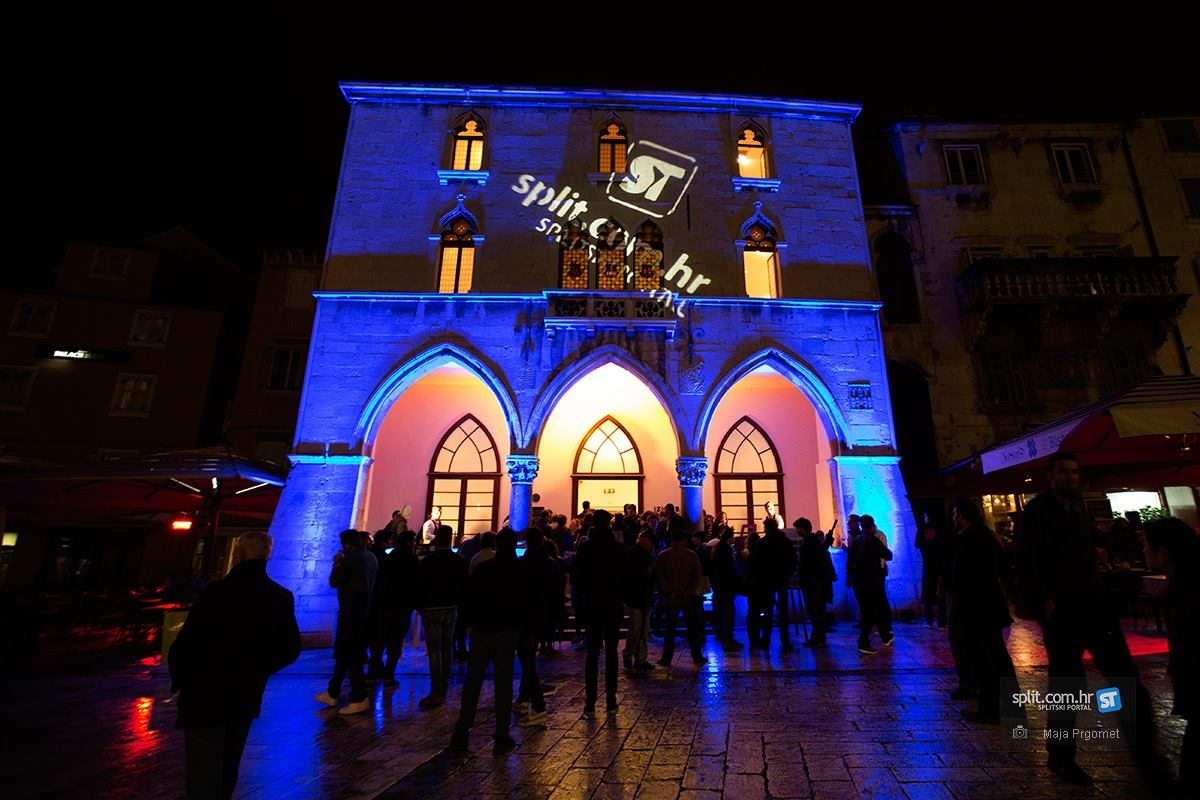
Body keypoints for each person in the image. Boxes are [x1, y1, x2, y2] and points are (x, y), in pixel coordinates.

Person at [1013, 452, 1172, 789]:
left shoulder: (1078, 508)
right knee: (1067, 685)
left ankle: (1147, 758)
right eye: (1064, 472)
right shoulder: (1038, 512)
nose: (1071, 477)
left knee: (1125, 680)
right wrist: (1045, 601)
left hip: (1094, 605)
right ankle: (1061, 756)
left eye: (1074, 472)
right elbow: (1026, 560)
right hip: (1064, 610)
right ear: (1051, 476)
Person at [168, 531, 300, 800]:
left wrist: (180, 678)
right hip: (246, 691)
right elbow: (290, 647)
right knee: (229, 763)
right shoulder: (280, 596)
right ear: (267, 555)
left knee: (203, 766)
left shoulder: (216, 592)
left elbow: (188, 641)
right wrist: (260, 669)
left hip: (205, 689)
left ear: (239, 554)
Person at [449, 528, 525, 755]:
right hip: (507, 630)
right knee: (504, 681)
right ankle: (501, 733)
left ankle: (462, 729)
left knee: (473, 680)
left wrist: (469, 624)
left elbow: (469, 597)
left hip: (482, 629)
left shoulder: (482, 569)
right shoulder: (518, 571)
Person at [945, 498, 1016, 724]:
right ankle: (1007, 705)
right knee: (995, 656)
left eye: (955, 514)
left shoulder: (974, 538)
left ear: (962, 515)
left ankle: (992, 708)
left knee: (985, 658)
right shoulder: (980, 535)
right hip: (984, 605)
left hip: (978, 607)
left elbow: (973, 573)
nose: (953, 518)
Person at [1142, 516, 1200, 796]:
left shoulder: (1188, 596)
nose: (1143, 550)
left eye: (1146, 544)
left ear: (1163, 552)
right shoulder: (1185, 587)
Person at [314, 529, 378, 715]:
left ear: (346, 544)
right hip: (364, 612)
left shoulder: (351, 560)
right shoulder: (371, 558)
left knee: (351, 655)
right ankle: (333, 691)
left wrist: (336, 563)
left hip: (350, 612)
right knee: (345, 653)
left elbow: (333, 582)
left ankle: (359, 697)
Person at [571, 508, 627, 715]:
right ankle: (611, 698)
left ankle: (590, 700)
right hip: (612, 604)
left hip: (592, 604)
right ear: (609, 523)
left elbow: (577, 578)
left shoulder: (585, 548)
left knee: (592, 653)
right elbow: (624, 577)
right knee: (611, 652)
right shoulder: (618, 548)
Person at [416, 524, 469, 710]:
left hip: (432, 608)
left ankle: (435, 689)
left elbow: (420, 585)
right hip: (451, 607)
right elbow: (464, 585)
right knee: (447, 647)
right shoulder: (459, 560)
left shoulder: (427, 561)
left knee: (435, 650)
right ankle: (444, 684)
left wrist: (420, 606)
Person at [513, 527, 560, 728]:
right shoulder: (551, 564)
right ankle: (523, 698)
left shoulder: (522, 564)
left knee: (526, 659)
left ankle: (538, 706)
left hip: (524, 616)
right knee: (528, 657)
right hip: (543, 616)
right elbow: (557, 592)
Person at [367, 529, 420, 686]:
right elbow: (416, 583)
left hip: (384, 605)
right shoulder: (412, 560)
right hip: (402, 605)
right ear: (409, 542)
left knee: (379, 641)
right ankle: (389, 675)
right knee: (395, 643)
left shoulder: (388, 558)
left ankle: (372, 674)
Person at [654, 522, 706, 668]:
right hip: (688, 596)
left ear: (671, 539)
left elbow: (659, 576)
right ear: (684, 540)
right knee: (692, 628)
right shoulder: (691, 555)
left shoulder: (663, 555)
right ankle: (697, 656)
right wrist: (689, 590)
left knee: (670, 629)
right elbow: (696, 575)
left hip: (671, 596)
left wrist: (668, 590)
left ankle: (666, 657)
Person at [747, 516, 797, 652]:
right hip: (782, 579)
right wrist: (788, 575)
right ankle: (785, 640)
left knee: (768, 611)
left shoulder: (762, 543)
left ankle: (766, 638)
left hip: (766, 581)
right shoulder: (786, 542)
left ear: (766, 528)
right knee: (783, 611)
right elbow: (793, 561)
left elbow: (756, 563)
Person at [847, 514, 893, 655]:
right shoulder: (873, 541)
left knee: (870, 610)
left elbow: (849, 561)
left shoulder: (857, 541)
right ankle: (864, 642)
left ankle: (885, 636)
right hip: (872, 581)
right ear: (872, 526)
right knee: (871, 612)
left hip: (859, 581)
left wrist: (849, 577)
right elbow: (888, 555)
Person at [795, 517, 835, 647]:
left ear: (803, 528)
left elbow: (811, 561)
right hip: (814, 580)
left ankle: (817, 638)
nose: (796, 530)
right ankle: (818, 637)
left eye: (798, 527)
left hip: (812, 580)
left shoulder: (810, 542)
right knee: (817, 610)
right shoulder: (812, 541)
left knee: (815, 610)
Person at [623, 528, 657, 672]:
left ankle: (637, 658)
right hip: (639, 597)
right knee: (639, 629)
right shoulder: (640, 555)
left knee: (640, 629)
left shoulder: (634, 553)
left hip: (638, 597)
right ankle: (634, 656)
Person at [708, 523, 744, 651]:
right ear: (730, 537)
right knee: (729, 613)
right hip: (727, 587)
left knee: (721, 610)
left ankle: (722, 634)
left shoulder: (717, 548)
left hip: (719, 586)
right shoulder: (727, 550)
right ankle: (728, 639)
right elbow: (730, 569)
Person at [915, 510, 952, 627]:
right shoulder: (942, 529)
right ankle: (942, 620)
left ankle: (929, 619)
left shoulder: (922, 530)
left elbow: (917, 544)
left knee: (929, 593)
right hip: (940, 565)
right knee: (941, 593)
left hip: (929, 565)